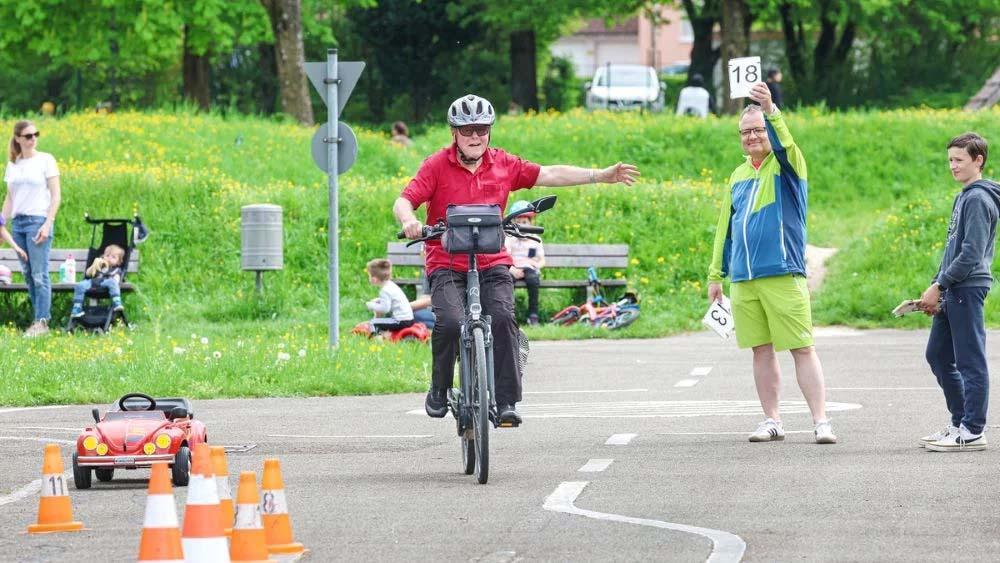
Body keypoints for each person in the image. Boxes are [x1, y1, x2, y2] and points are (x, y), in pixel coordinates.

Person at [395, 94, 639, 424]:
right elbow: (404, 200)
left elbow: (550, 174)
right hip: (446, 262)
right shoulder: (436, 165)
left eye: (482, 129)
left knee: (503, 319)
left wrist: (600, 175)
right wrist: (409, 221)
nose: (475, 136)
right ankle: (439, 388)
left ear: (490, 131)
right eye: (467, 130)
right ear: (454, 133)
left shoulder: (504, 163)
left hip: (493, 260)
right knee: (451, 324)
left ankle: (506, 401)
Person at [707, 83, 836, 444]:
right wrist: (716, 274)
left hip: (782, 273)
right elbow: (725, 228)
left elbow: (786, 144)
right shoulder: (737, 175)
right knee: (760, 351)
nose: (751, 137)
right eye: (745, 132)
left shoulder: (788, 166)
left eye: (758, 130)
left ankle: (821, 421)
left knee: (802, 347)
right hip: (744, 279)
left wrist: (772, 111)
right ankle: (772, 419)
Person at [917, 133, 998, 452]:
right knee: (937, 355)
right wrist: (936, 285)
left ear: (978, 160)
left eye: (959, 160)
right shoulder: (964, 195)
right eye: (950, 160)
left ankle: (973, 430)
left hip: (967, 287)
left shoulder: (978, 198)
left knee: (970, 360)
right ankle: (959, 422)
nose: (953, 166)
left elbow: (971, 253)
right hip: (953, 287)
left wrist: (940, 285)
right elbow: (953, 248)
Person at [2, 120, 61, 337]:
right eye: (28, 135)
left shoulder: (46, 160)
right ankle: (38, 321)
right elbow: (10, 198)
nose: (33, 138)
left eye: (36, 134)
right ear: (18, 138)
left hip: (38, 221)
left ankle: (42, 322)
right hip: (18, 224)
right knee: (27, 274)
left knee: (39, 273)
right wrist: (2, 224)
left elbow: (56, 196)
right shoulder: (14, 164)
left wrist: (48, 223)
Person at [506, 200, 545, 325]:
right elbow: (506, 256)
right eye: (518, 223)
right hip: (514, 268)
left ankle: (533, 314)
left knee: (533, 280)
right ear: (513, 224)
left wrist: (535, 265)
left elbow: (542, 260)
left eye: (524, 222)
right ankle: (509, 314)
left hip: (529, 268)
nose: (521, 226)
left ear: (530, 223)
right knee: (506, 281)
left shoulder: (535, 240)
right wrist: (512, 269)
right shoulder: (510, 239)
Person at [70, 244, 125, 318]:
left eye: (113, 257)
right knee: (80, 285)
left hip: (106, 283)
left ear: (118, 262)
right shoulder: (99, 265)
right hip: (93, 282)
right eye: (107, 255)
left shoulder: (116, 270)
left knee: (113, 282)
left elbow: (117, 279)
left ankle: (116, 301)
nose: (109, 258)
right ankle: (77, 307)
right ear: (103, 256)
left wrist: (115, 280)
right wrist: (93, 266)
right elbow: (88, 274)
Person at [364, 258, 415, 334]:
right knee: (381, 322)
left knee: (373, 323)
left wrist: (371, 305)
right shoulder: (390, 285)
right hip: (408, 319)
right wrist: (378, 300)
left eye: (369, 276)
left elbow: (385, 309)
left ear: (374, 279)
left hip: (400, 321)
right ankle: (383, 335)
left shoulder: (384, 291)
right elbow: (391, 299)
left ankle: (376, 339)